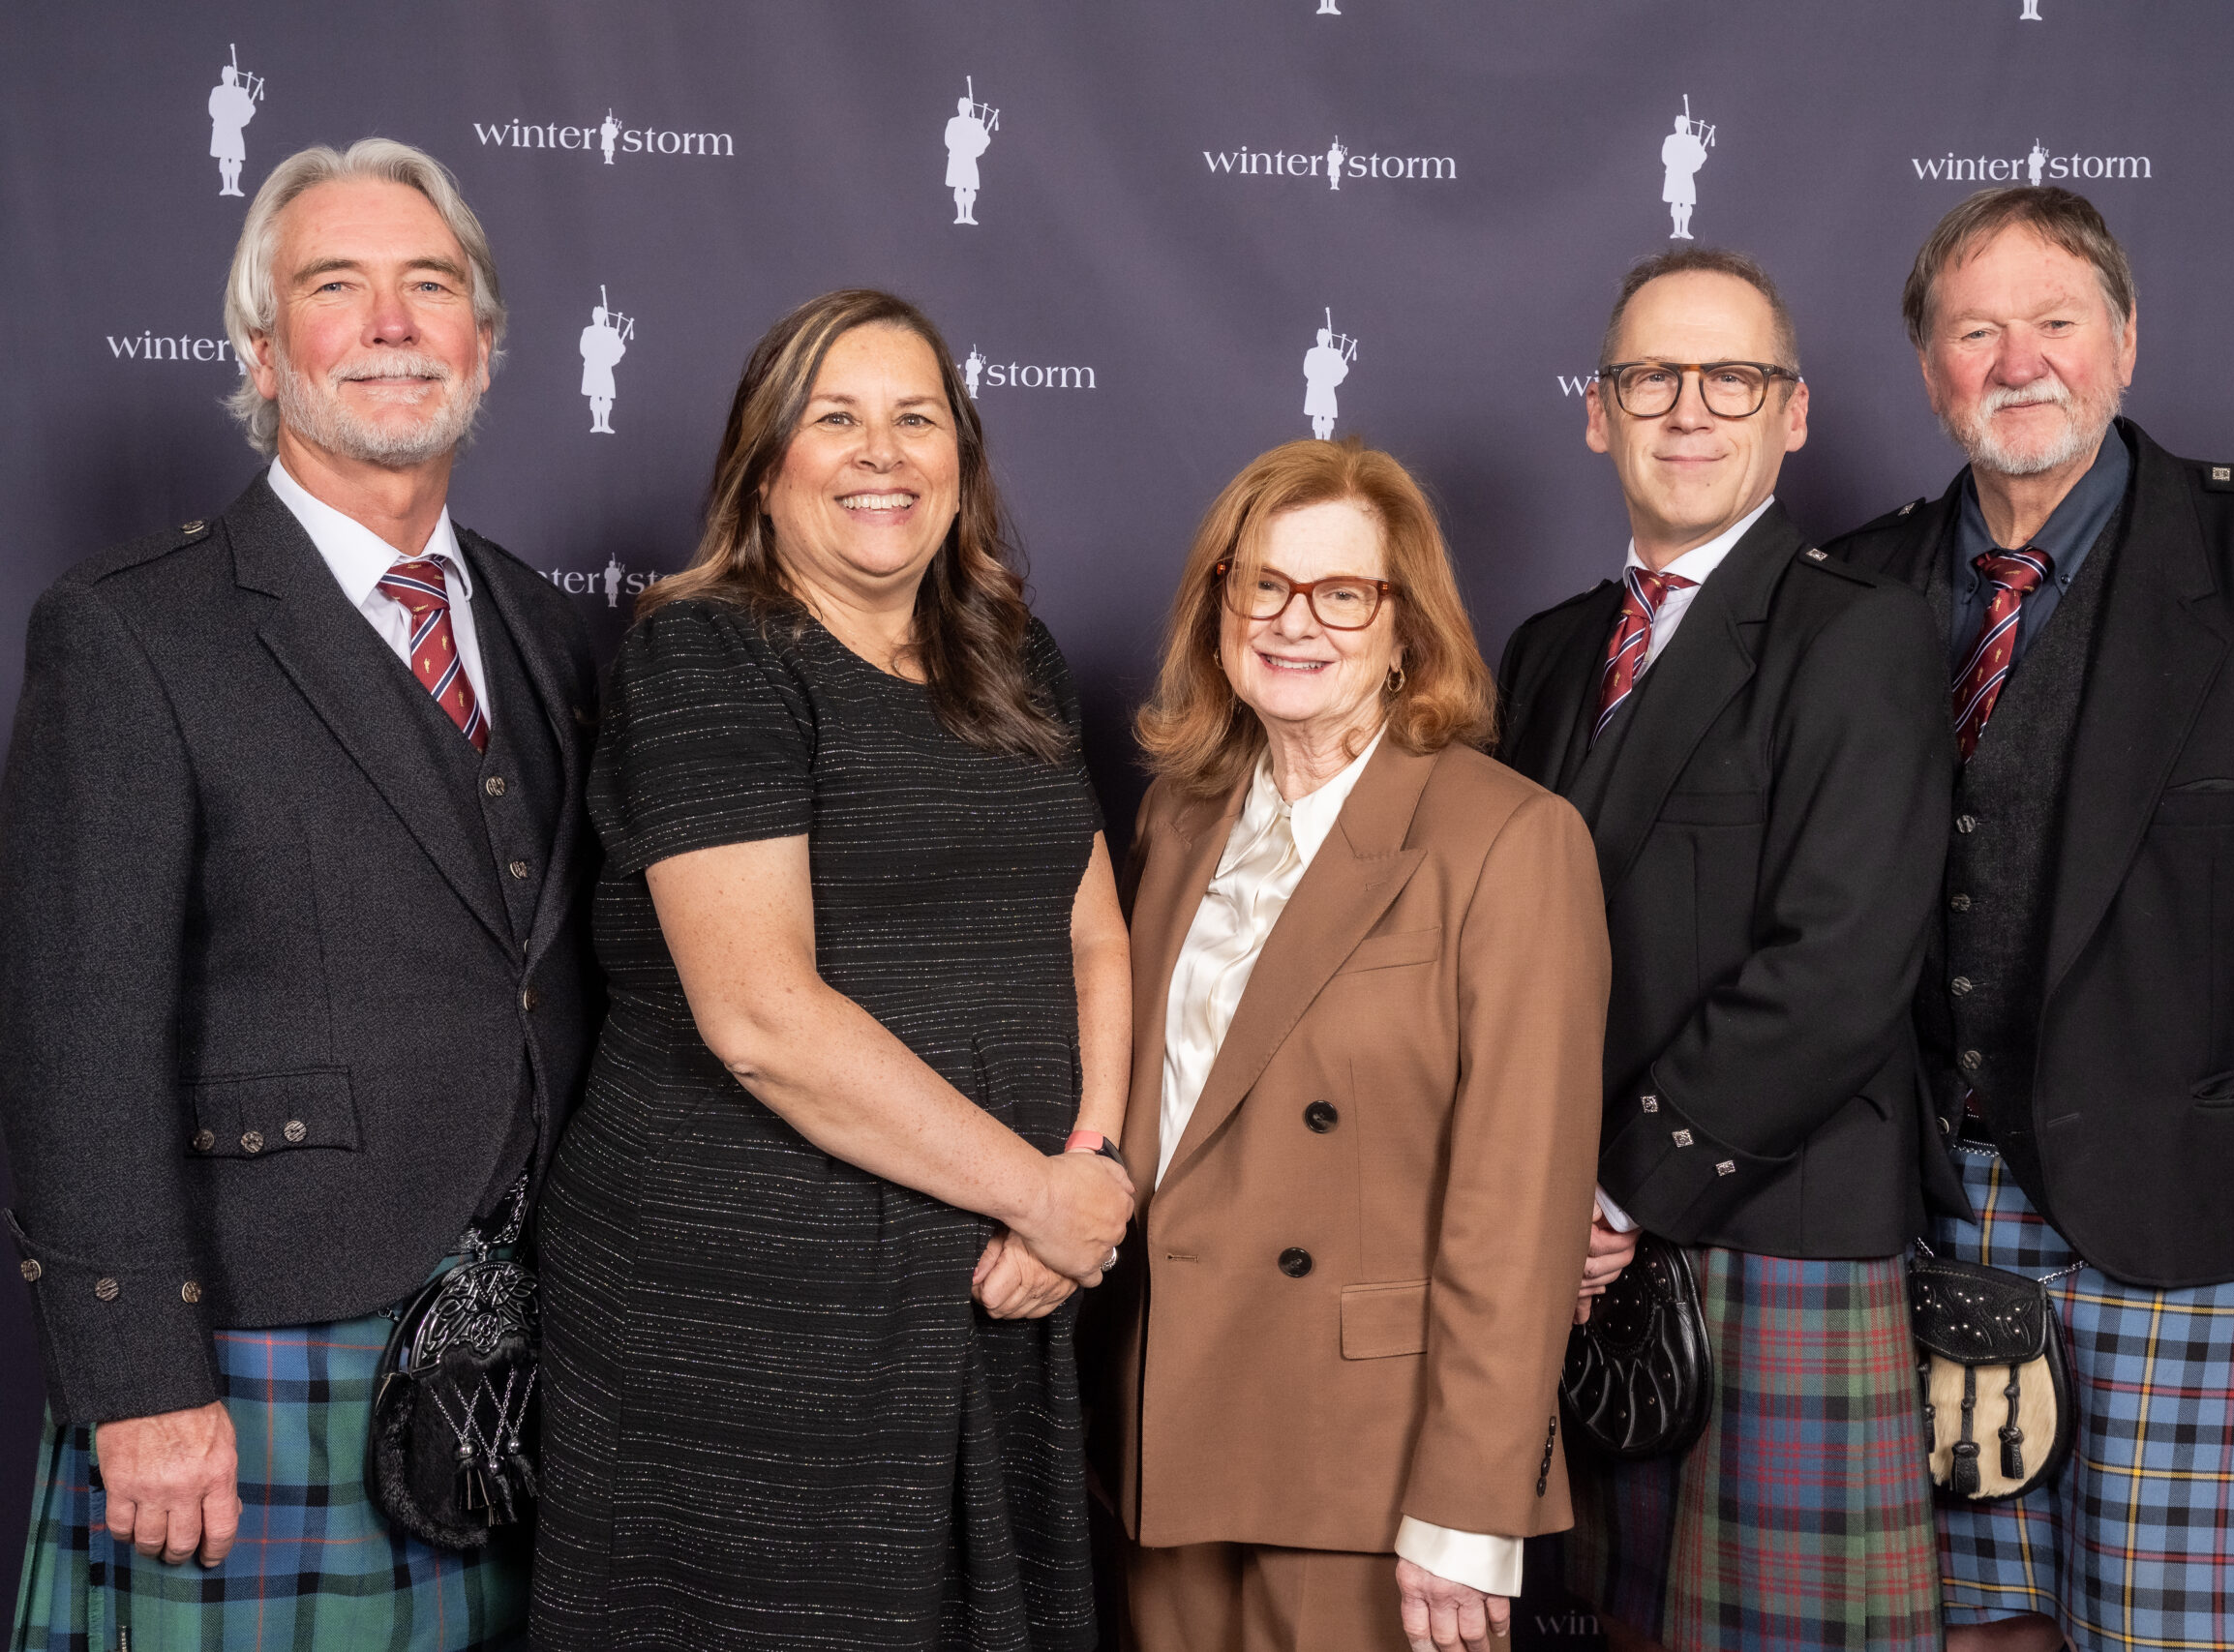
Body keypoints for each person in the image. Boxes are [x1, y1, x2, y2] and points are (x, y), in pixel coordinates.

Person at [1826, 185, 2234, 1652]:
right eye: (1974, 332)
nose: (2017, 362)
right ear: (1926, 370)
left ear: (2125, 343)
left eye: (2055, 322)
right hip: (1921, 1228)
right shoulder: (1859, 585)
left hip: (2199, 1235)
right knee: (1969, 1630)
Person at [1, 137, 593, 1651]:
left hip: (522, 1356)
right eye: (337, 287)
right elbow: (75, 1041)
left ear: (483, 342)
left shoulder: (547, 627)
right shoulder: (133, 630)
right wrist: (139, 1379)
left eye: (431, 286)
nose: (392, 322)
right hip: (252, 1351)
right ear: (263, 354)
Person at [531, 288, 1134, 1651]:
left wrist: (1092, 1161)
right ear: (764, 466)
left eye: (916, 418)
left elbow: (1093, 929)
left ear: (961, 459)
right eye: (835, 418)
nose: (882, 452)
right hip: (754, 1304)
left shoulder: (1012, 653)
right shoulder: (706, 652)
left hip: (997, 1281)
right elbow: (763, 1018)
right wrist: (1040, 1195)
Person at [1496, 249, 1952, 1652]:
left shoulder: (1860, 632)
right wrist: (1544, 1200)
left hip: (1765, 1228)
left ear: (1791, 413)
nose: (1688, 408)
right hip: (1576, 1254)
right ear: (1598, 412)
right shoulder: (1548, 650)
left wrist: (1609, 1195)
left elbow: (1841, 965)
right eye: (1650, 378)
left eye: (1732, 378)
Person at [1085, 438, 1607, 1652]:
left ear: (1405, 629)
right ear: (1218, 605)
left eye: (1341, 594)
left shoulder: (1509, 839)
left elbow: (1517, 1209)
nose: (1293, 622)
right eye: (1263, 583)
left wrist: (1471, 1508)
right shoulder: (1180, 815)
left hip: (1368, 1458)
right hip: (1166, 1419)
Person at [208, 64, 255, 195]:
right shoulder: (217, 91)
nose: (228, 78)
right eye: (226, 75)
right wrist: (225, 116)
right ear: (222, 76)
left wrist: (246, 111)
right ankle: (226, 187)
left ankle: (234, 187)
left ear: (234, 77)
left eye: (230, 75)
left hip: (234, 129)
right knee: (224, 157)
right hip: (222, 128)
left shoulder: (240, 92)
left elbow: (248, 109)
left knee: (235, 158)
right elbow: (213, 108)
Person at [580, 303, 626, 433]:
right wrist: (595, 355)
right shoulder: (588, 331)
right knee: (595, 395)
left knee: (606, 396)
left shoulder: (610, 332)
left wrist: (617, 352)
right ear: (593, 316)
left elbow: (618, 348)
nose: (598, 318)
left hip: (605, 367)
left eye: (600, 316)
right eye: (596, 315)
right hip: (592, 367)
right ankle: (596, 425)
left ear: (604, 317)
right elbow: (583, 348)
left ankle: (605, 425)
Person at [946, 96, 992, 224]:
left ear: (970, 108)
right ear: (958, 107)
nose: (964, 109)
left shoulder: (975, 123)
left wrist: (982, 141)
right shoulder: (953, 122)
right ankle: (960, 216)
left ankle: (969, 216)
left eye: (966, 107)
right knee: (959, 186)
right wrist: (961, 146)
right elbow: (948, 139)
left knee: (970, 187)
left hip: (970, 159)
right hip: (957, 158)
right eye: (961, 106)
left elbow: (983, 139)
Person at [1659, 116, 1705, 240]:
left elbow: (1700, 155)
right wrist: (1676, 163)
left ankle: (1684, 230)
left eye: (1683, 124)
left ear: (1686, 126)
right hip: (1674, 173)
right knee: (1675, 201)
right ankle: (1676, 230)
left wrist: (1695, 161)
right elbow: (1665, 156)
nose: (1680, 126)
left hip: (1686, 174)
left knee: (1686, 202)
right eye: (1678, 124)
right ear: (1675, 125)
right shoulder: (1670, 139)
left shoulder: (1692, 140)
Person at [1303, 327, 1349, 440]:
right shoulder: (1312, 352)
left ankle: (1327, 439)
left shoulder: (1334, 353)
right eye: (1320, 337)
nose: (1322, 339)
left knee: (1328, 414)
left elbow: (1343, 369)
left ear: (1328, 339)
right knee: (1317, 413)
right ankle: (1318, 439)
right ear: (1317, 338)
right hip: (1315, 387)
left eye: (1324, 337)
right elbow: (1307, 369)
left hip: (1327, 388)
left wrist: (1335, 379)